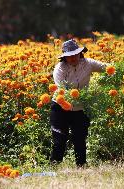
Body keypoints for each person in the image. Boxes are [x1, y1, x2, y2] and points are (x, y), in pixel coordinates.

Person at [50, 39, 107, 167]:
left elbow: (107, 67)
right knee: (59, 139)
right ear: (64, 58)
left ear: (80, 53)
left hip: (80, 108)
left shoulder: (88, 63)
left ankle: (81, 167)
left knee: (80, 138)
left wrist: (119, 69)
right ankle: (54, 166)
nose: (73, 58)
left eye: (75, 54)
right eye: (69, 56)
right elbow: (62, 90)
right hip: (60, 107)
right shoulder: (60, 69)